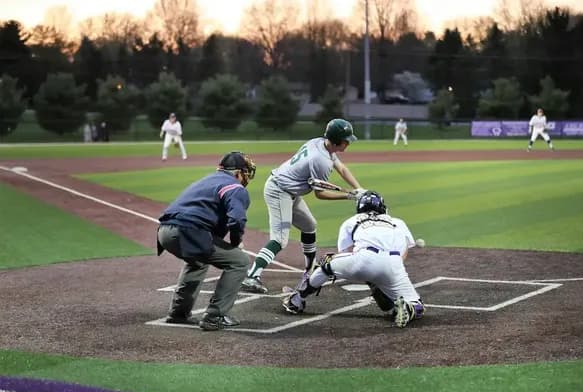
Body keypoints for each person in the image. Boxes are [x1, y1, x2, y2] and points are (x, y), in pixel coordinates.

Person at [241, 118, 366, 294]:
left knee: (309, 225)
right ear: (337, 140)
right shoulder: (320, 160)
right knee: (280, 239)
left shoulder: (320, 143)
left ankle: (310, 269)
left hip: (291, 191)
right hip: (279, 191)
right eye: (346, 140)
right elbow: (320, 194)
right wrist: (349, 196)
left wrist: (359, 189)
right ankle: (252, 276)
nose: (348, 143)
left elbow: (342, 168)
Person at [282, 191, 425, 328]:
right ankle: (410, 308)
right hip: (394, 264)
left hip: (364, 260)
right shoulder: (397, 222)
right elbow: (403, 252)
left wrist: (365, 272)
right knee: (418, 304)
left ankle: (297, 300)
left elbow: (345, 252)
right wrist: (384, 279)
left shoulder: (352, 221)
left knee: (327, 263)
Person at [156, 151, 256, 331]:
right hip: (188, 231)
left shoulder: (206, 180)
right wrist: (236, 242)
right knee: (240, 261)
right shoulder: (235, 187)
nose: (246, 175)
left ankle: (178, 313)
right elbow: (237, 220)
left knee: (198, 261)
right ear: (237, 173)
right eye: (245, 171)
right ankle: (215, 316)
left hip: (164, 233)